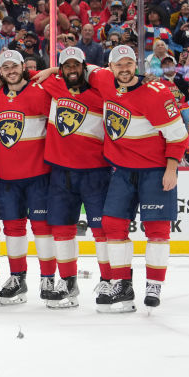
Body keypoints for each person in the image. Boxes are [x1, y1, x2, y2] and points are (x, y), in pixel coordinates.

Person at [88, 46, 189, 311]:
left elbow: (178, 136)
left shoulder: (156, 94)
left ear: (136, 65)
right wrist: (51, 70)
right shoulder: (104, 80)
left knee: (157, 230)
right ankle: (122, 284)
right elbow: (86, 70)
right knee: (112, 224)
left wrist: (171, 169)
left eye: (129, 63)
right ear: (110, 67)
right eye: (118, 64)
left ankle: (154, 284)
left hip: (155, 171)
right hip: (122, 170)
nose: (124, 69)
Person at [36, 47, 110, 309]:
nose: (71, 70)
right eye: (65, 66)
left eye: (75, 65)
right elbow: (21, 76)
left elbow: (113, 78)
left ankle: (109, 282)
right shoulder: (54, 86)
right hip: (60, 172)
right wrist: (51, 71)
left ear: (84, 67)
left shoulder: (102, 93)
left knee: (103, 230)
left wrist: (54, 69)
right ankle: (68, 284)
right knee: (61, 230)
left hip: (95, 172)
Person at [0, 50, 54, 305]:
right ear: (1, 72)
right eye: (5, 67)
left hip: (38, 173)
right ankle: (17, 278)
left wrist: (48, 71)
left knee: (42, 228)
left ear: (23, 67)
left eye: (14, 66)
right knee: (13, 230)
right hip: (6, 176)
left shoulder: (41, 91)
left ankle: (48, 277)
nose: (10, 70)